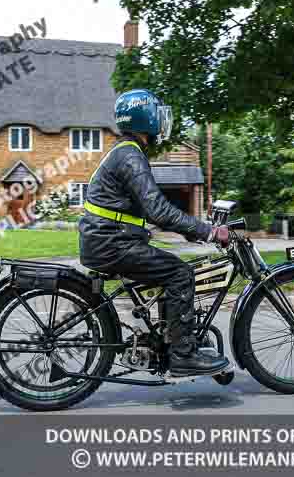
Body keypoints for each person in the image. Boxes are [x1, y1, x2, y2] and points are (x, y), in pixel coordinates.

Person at [79, 89, 230, 377]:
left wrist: (189, 231)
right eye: (157, 114)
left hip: (106, 240)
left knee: (167, 270)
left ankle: (171, 341)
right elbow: (158, 210)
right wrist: (208, 231)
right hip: (112, 244)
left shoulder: (124, 152)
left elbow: (149, 210)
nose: (161, 121)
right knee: (180, 274)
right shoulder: (130, 156)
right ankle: (183, 355)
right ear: (145, 117)